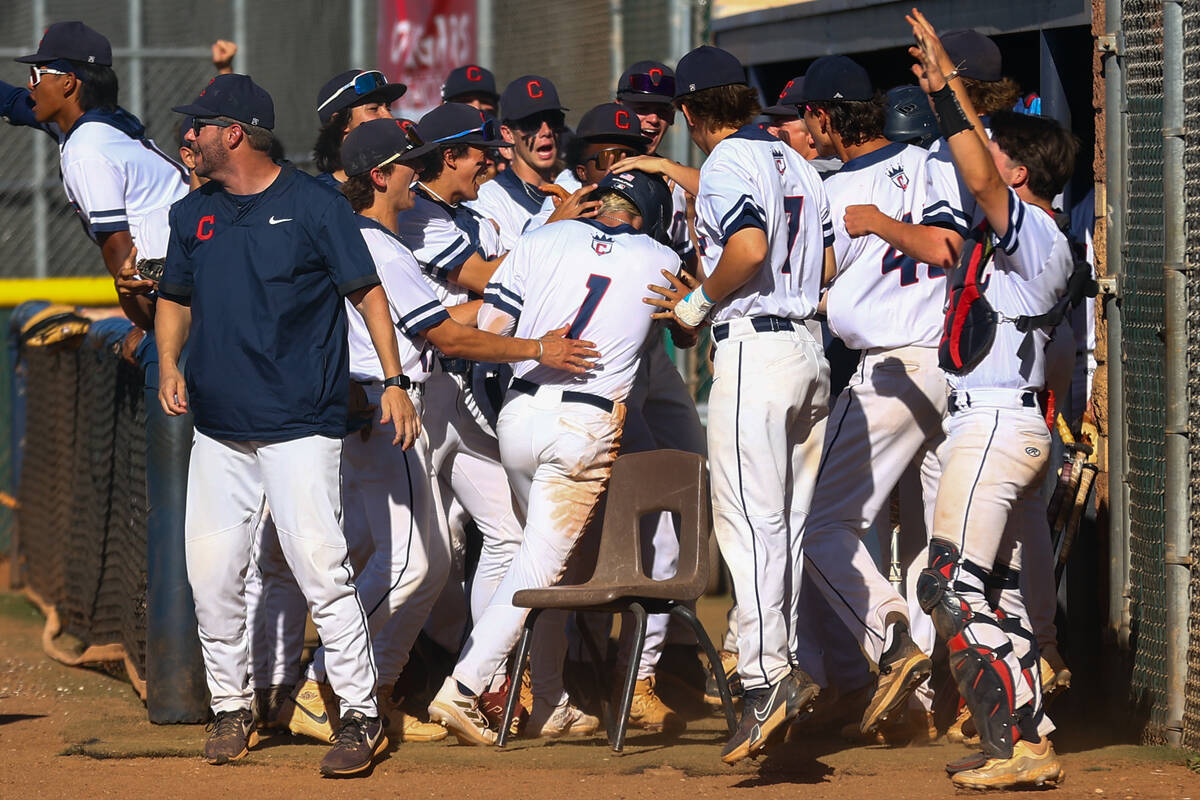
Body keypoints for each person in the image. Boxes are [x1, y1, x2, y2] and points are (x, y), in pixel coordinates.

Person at [285, 117, 596, 748]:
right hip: (387, 405)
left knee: (435, 558)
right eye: (408, 163)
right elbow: (447, 336)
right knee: (412, 565)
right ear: (380, 176)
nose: (416, 171)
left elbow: (448, 315)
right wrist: (537, 344)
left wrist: (510, 299)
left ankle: (376, 689)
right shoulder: (375, 241)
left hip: (406, 401)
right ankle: (324, 685)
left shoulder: (379, 236)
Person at [155, 73, 411, 776]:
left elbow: (369, 296)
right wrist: (169, 362)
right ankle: (231, 708)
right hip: (218, 429)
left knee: (322, 573)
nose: (190, 138)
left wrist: (393, 382)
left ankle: (359, 714)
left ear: (234, 133)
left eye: (200, 126)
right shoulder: (192, 214)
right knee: (212, 576)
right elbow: (174, 298)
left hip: (300, 425)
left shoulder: (313, 205)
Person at [428, 169, 680, 746]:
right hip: (585, 423)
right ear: (643, 217)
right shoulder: (661, 256)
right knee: (542, 562)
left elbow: (492, 330)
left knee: (539, 557)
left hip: (519, 413)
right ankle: (464, 687)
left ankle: (547, 699)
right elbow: (687, 324)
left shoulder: (538, 239)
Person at [633, 45, 835, 764]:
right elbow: (829, 265)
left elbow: (747, 249)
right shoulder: (798, 161)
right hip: (810, 351)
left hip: (758, 349)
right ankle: (778, 667)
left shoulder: (724, 164)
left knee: (749, 523)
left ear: (689, 112)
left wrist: (694, 303)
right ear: (745, 98)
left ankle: (765, 677)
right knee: (784, 525)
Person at [907, 9, 1076, 789]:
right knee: (996, 589)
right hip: (1002, 422)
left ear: (1021, 172)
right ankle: (1026, 731)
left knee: (947, 584)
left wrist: (947, 96)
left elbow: (980, 172)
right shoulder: (1028, 233)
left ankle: (1022, 743)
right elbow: (980, 175)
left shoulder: (1037, 229)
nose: (984, 160)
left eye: (1001, 153)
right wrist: (957, 102)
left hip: (997, 423)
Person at [792, 54, 943, 742]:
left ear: (825, 117)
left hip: (888, 369)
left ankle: (891, 642)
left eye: (809, 116)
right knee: (936, 542)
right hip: (954, 369)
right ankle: (936, 701)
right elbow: (947, 246)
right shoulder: (935, 164)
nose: (807, 128)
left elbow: (813, 272)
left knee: (821, 528)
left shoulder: (831, 187)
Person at [0, 21, 188, 330]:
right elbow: (12, 102)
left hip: (182, 289)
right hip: (194, 272)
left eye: (37, 74)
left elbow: (121, 255)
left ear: (68, 83)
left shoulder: (87, 150)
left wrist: (147, 334)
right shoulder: (102, 123)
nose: (31, 85)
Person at [469, 75, 567, 250]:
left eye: (553, 120)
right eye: (532, 123)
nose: (546, 131)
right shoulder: (488, 200)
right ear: (507, 134)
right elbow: (507, 271)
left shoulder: (572, 183)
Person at [312, 68, 407, 186]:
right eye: (374, 109)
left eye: (388, 108)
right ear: (340, 122)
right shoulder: (317, 197)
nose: (389, 117)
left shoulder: (404, 185)